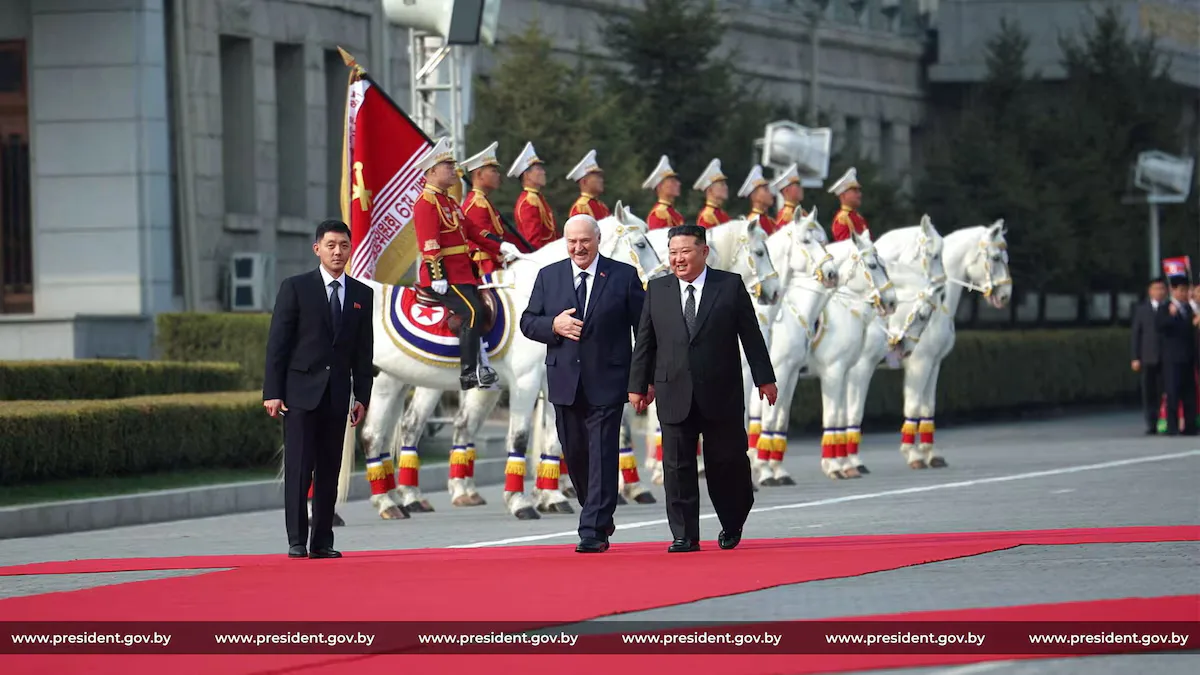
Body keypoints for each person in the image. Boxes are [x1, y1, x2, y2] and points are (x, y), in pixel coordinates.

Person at [628, 224, 777, 553]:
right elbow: (645, 343)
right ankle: (684, 534)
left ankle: (733, 519)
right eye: (672, 253)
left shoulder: (729, 286)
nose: (678, 259)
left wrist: (765, 378)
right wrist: (639, 385)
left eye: (685, 251)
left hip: (721, 392)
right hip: (673, 390)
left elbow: (751, 335)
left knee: (727, 462)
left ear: (704, 251)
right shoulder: (657, 289)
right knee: (677, 465)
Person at [520, 214, 645, 553]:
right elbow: (528, 322)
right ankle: (599, 513)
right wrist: (554, 325)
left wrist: (642, 378)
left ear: (598, 239)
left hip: (608, 379)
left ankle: (591, 529)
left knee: (603, 453)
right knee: (575, 454)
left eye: (585, 241)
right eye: (572, 241)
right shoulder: (550, 276)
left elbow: (643, 331)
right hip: (564, 382)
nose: (578, 247)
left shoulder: (623, 276)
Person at [263, 219, 374, 560]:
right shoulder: (295, 288)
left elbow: (362, 351)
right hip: (299, 394)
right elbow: (278, 344)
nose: (337, 251)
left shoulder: (360, 294)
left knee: (329, 469)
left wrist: (362, 397)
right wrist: (272, 391)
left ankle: (322, 541)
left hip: (338, 395)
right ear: (317, 249)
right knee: (299, 468)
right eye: (331, 245)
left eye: (343, 245)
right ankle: (297, 540)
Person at [413, 137, 501, 390]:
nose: (455, 170)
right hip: (444, 277)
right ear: (431, 172)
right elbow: (429, 243)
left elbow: (473, 231)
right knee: (471, 312)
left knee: (484, 308)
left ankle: (485, 365)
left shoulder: (449, 201)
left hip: (463, 273)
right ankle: (468, 373)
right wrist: (436, 275)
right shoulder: (426, 202)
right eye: (448, 166)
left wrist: (500, 245)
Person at [460, 141, 523, 277]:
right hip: (485, 266)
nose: (498, 175)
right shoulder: (476, 205)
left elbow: (500, 234)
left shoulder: (484, 201)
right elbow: (483, 239)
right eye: (493, 171)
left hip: (495, 262)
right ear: (479, 174)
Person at [1155, 276, 1198, 436]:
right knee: (1172, 393)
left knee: (1189, 394)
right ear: (1173, 290)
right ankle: (1172, 427)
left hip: (1188, 357)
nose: (1184, 293)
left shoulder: (1189, 308)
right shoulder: (1165, 307)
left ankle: (1190, 426)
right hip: (1172, 359)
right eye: (1181, 290)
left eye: (1186, 290)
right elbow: (1160, 326)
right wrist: (1172, 316)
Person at [1131, 277, 1167, 435]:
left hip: (1166, 357)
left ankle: (1164, 420)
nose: (1159, 292)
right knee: (1148, 391)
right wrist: (1135, 357)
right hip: (1147, 357)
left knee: (1164, 391)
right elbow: (1136, 335)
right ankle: (1151, 422)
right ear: (1150, 291)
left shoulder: (1169, 308)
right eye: (1156, 288)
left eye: (1161, 288)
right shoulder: (1141, 309)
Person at [508, 141, 558, 250]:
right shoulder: (528, 202)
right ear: (527, 175)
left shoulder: (537, 198)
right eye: (538, 169)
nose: (543, 172)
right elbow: (533, 241)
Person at [643, 155, 685, 230]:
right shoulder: (658, 214)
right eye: (672, 181)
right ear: (660, 187)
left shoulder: (675, 213)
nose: (678, 184)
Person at [567, 149, 611, 220]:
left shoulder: (602, 206)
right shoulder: (581, 207)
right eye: (597, 178)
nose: (601, 180)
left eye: (601, 177)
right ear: (584, 182)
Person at [828, 167, 870, 241]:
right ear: (843, 195)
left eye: (859, 191)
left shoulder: (858, 217)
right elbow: (846, 247)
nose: (859, 195)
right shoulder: (842, 219)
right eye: (855, 191)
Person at [738, 164, 777, 236]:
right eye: (766, 190)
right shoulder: (751, 222)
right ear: (754, 196)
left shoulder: (771, 222)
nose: (771, 194)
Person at [693, 158, 731, 228]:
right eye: (722, 184)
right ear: (710, 190)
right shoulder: (707, 216)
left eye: (725, 184)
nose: (726, 187)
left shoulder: (723, 214)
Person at [772, 163, 808, 228]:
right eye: (797, 185)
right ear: (786, 190)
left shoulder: (802, 212)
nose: (801, 188)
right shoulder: (786, 215)